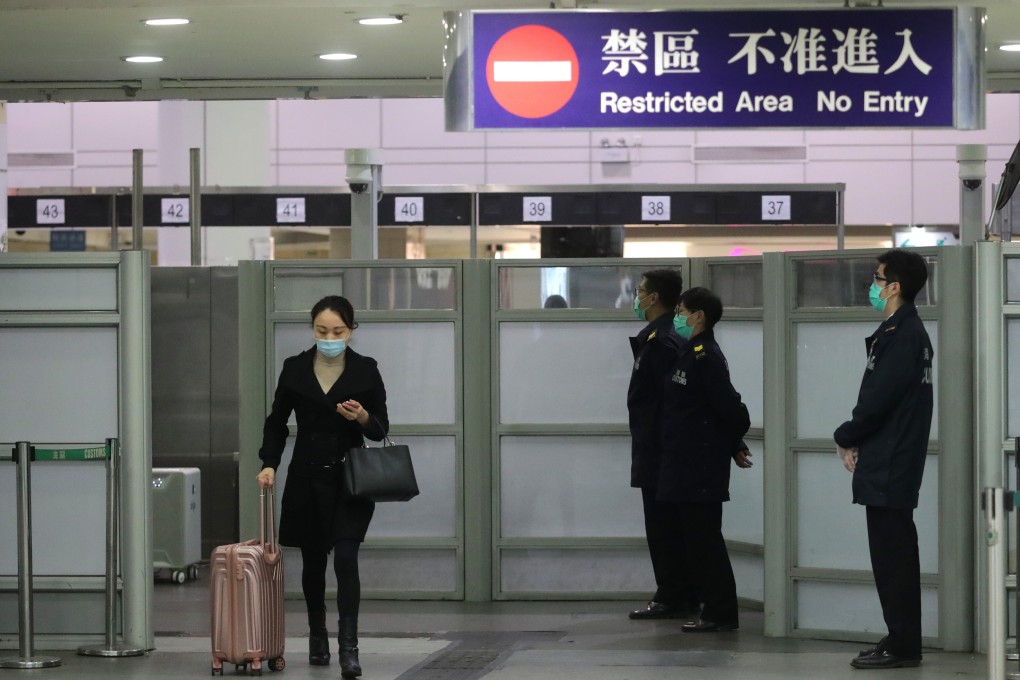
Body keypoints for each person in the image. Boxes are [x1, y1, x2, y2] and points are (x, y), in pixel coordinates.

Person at [256, 295, 388, 679]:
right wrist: (269, 463)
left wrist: (363, 417)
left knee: (346, 559)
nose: (329, 337)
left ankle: (349, 648)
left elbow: (381, 429)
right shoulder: (295, 369)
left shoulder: (365, 370)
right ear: (312, 329)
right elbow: (276, 422)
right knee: (313, 563)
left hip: (350, 479)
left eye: (338, 331)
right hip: (306, 477)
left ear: (351, 331)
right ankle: (318, 637)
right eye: (322, 331)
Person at [834, 249, 933, 670]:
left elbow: (877, 401)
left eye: (877, 279)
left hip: (891, 460)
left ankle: (904, 645)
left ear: (894, 286)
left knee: (893, 558)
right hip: (890, 457)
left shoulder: (902, 335)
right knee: (892, 556)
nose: (872, 286)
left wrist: (846, 436)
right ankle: (899, 636)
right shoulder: (901, 331)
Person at [658, 287, 751, 633]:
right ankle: (712, 606)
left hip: (699, 465)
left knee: (704, 540)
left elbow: (729, 408)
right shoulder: (690, 352)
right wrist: (733, 443)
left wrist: (733, 440)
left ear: (699, 316)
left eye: (682, 311)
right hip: (686, 462)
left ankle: (720, 611)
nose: (678, 317)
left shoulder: (704, 355)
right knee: (695, 540)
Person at [626, 269, 699, 620]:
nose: (636, 297)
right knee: (668, 525)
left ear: (654, 298)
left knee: (663, 525)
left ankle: (672, 594)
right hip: (658, 447)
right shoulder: (660, 336)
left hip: (661, 449)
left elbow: (671, 400)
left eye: (640, 291)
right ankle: (678, 591)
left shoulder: (663, 340)